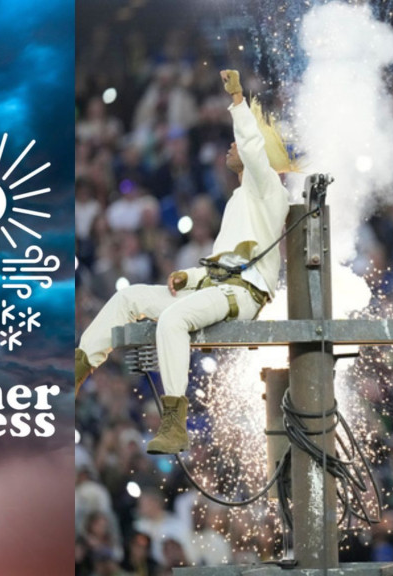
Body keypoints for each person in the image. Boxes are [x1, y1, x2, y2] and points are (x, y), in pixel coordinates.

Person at [74, 69, 294, 454]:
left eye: (236, 143)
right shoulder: (240, 200)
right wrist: (190, 277)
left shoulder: (268, 189)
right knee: (130, 299)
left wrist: (239, 102)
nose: (230, 148)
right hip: (216, 288)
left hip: (241, 296)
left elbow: (254, 148)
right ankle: (77, 369)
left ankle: (174, 425)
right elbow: (225, 263)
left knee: (173, 320)